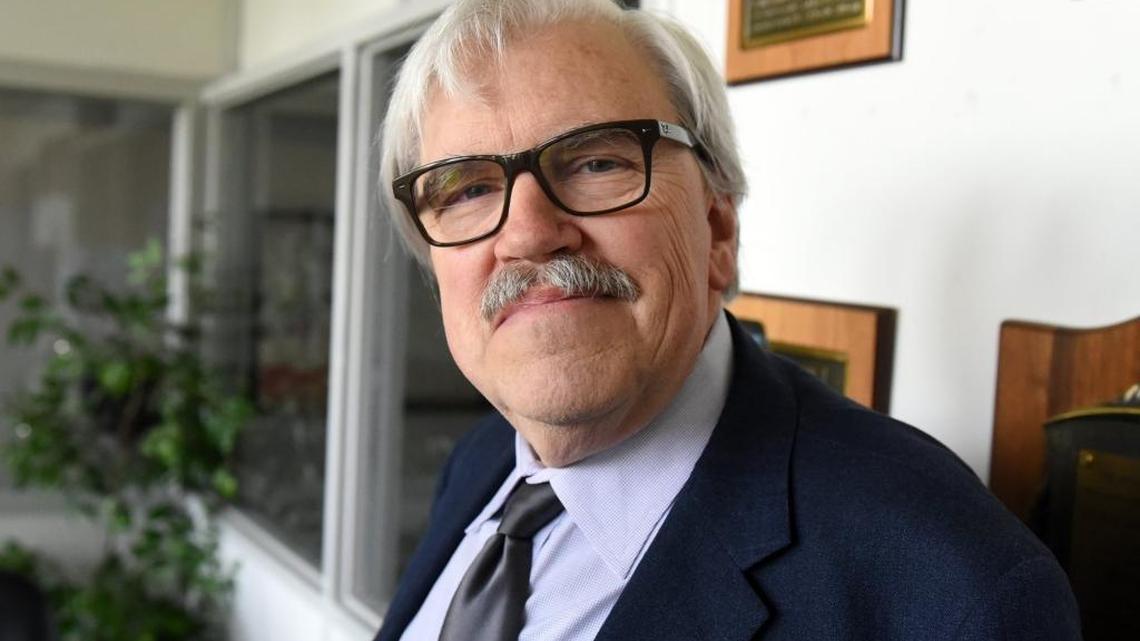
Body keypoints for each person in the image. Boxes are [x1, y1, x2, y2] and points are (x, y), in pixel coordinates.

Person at [372, 1, 1081, 639]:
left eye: (595, 162)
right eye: (466, 190)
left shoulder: (960, 597)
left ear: (717, 229)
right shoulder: (483, 460)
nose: (527, 234)